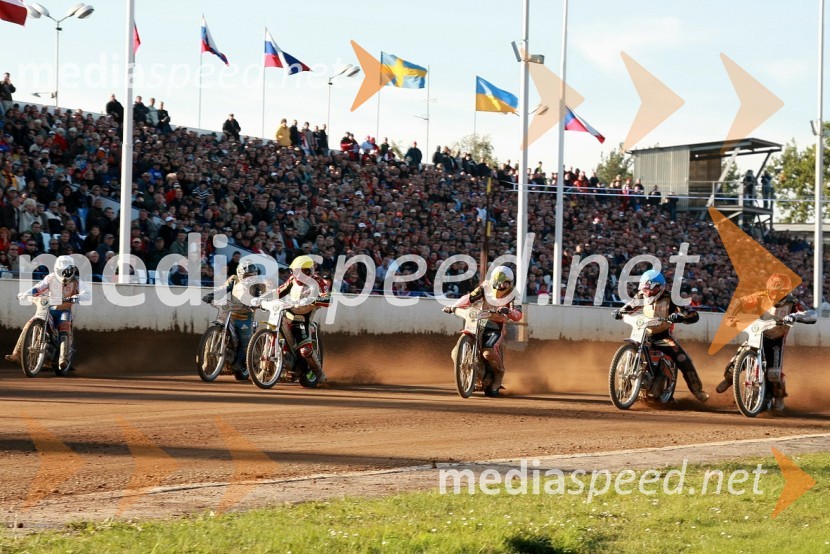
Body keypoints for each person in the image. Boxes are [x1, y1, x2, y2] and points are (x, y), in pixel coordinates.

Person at [715, 273, 817, 411]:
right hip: (757, 334)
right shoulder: (760, 296)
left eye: (780, 291)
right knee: (735, 363)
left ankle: (779, 396)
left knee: (774, 374)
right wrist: (731, 316)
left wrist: (795, 316)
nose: (775, 294)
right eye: (773, 291)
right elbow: (739, 302)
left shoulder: (793, 302)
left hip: (776, 340)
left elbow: (812, 314)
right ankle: (728, 380)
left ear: (786, 291)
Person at [613, 269, 710, 402]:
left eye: (651, 289)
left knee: (683, 359)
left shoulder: (672, 298)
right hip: (643, 333)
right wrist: (619, 312)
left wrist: (681, 317)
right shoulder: (641, 296)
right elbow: (629, 307)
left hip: (662, 337)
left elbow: (693, 315)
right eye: (645, 288)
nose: (647, 292)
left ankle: (697, 391)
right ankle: (624, 387)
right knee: (631, 356)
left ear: (660, 287)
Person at [442, 266, 523, 397]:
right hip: (479, 321)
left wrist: (508, 311)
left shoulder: (514, 294)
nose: (502, 286)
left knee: (488, 353)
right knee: (455, 352)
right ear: (494, 280)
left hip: (496, 326)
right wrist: (454, 306)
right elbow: (469, 298)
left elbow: (518, 314)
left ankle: (499, 373)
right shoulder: (485, 287)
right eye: (499, 282)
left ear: (511, 282)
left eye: (505, 283)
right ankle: (471, 375)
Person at [5, 255, 91, 371]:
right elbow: (39, 287)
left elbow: (87, 294)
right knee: (30, 323)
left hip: (64, 311)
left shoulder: (77, 282)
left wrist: (76, 297)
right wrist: (26, 294)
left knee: (64, 329)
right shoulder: (50, 278)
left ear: (71, 270)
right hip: (49, 309)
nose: (63, 274)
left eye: (65, 271)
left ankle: (63, 359)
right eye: (60, 271)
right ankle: (17, 354)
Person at [201, 259, 265, 380]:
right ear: (240, 274)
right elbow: (223, 289)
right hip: (230, 313)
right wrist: (211, 295)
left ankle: (240, 364)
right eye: (247, 276)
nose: (249, 278)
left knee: (246, 343)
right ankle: (207, 361)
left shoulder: (258, 284)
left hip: (246, 317)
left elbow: (259, 296)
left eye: (252, 276)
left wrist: (257, 301)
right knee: (215, 331)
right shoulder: (234, 280)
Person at [274, 255, 330, 382]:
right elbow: (279, 291)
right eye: (295, 271)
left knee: (305, 350)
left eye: (301, 271)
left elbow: (327, 298)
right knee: (276, 326)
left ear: (309, 271)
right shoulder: (292, 280)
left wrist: (314, 300)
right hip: (288, 313)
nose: (297, 275)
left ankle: (319, 374)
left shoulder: (318, 282)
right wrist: (261, 297)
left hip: (303, 319)